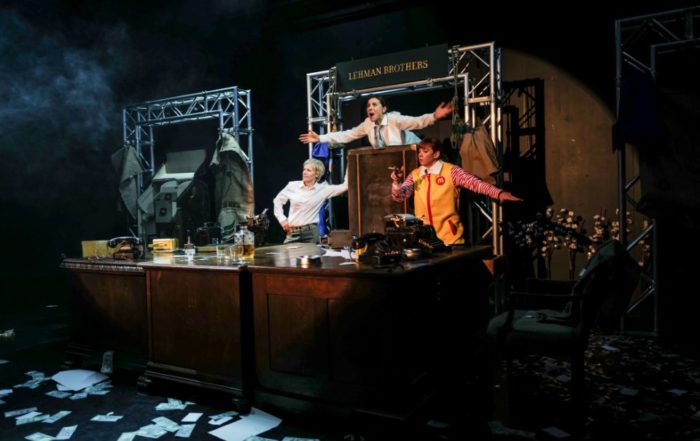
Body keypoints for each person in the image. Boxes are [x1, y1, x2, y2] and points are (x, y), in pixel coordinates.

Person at [390, 138, 522, 245]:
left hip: (450, 239)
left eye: (425, 151)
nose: (420, 154)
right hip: (425, 240)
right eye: (419, 151)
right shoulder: (415, 174)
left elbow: (476, 184)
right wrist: (396, 183)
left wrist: (498, 193)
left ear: (436, 154)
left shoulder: (451, 171)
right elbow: (400, 196)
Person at [299, 95, 454, 148]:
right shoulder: (368, 123)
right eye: (368, 106)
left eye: (374, 105)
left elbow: (417, 122)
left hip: (414, 152)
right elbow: (348, 135)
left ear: (384, 108)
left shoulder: (394, 119)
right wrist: (321, 138)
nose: (370, 108)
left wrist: (435, 116)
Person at [273, 158, 348, 244]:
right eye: (304, 169)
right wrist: (282, 220)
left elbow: (345, 186)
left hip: (312, 234)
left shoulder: (323, 189)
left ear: (317, 174)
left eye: (308, 170)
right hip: (293, 232)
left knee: (314, 253)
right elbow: (277, 201)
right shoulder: (293, 186)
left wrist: (349, 163)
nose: (304, 172)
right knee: (287, 252)